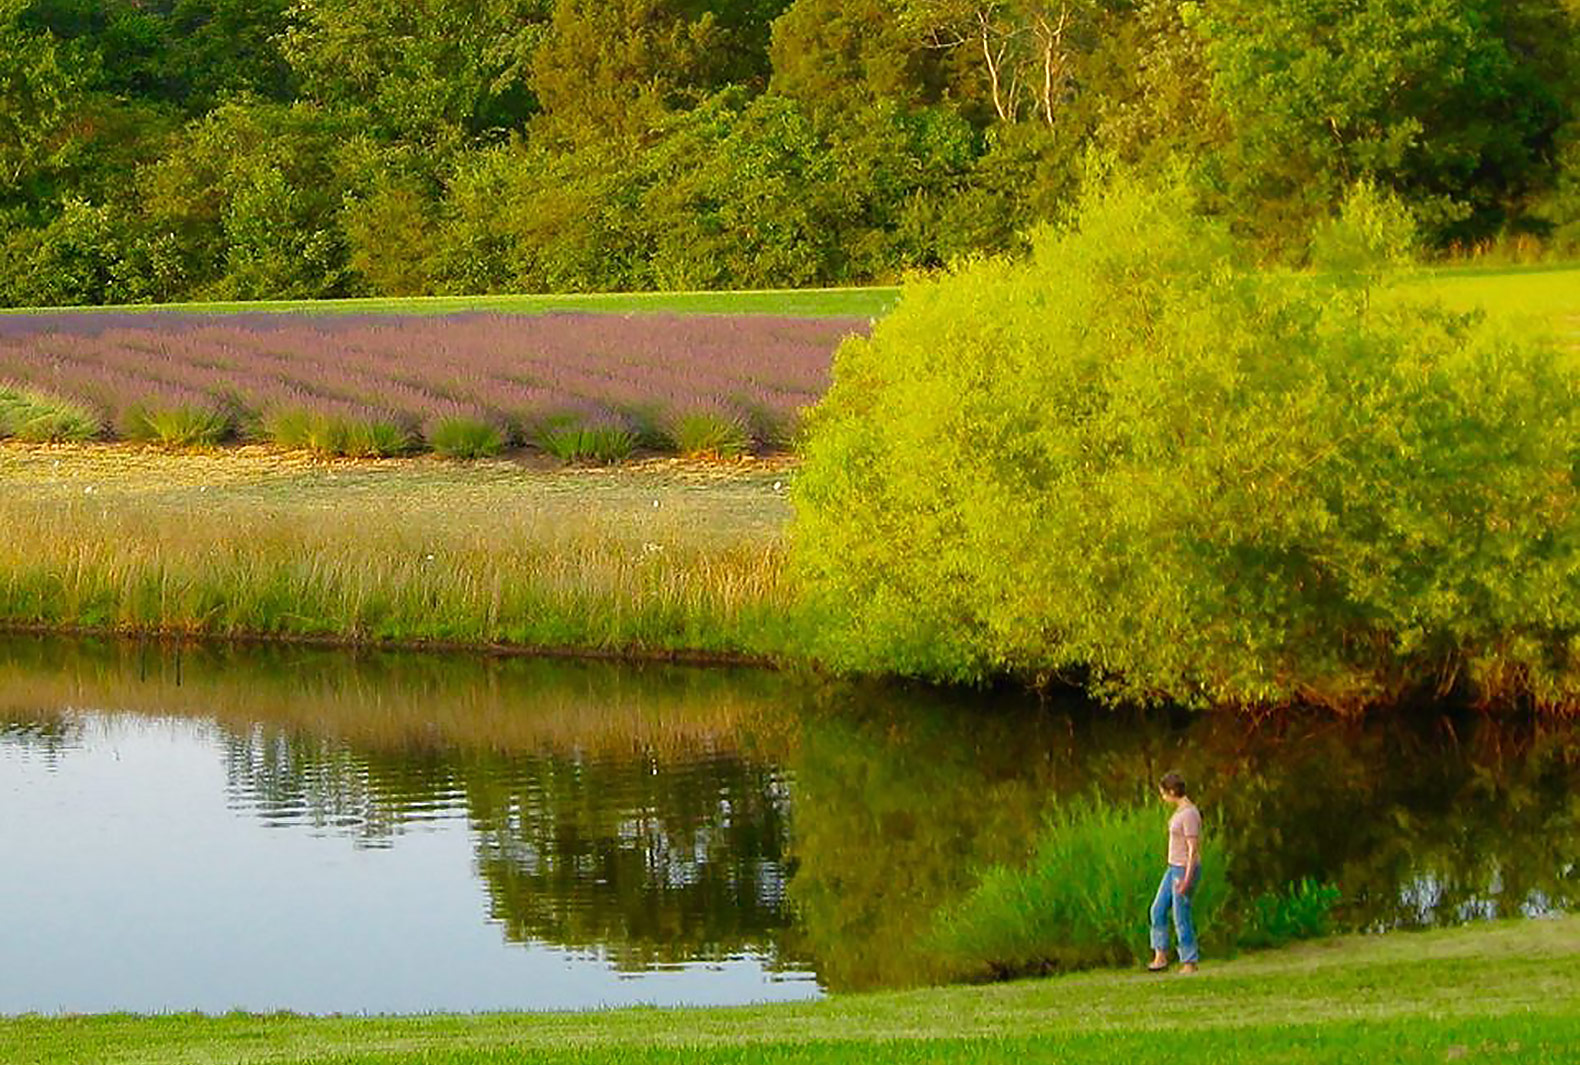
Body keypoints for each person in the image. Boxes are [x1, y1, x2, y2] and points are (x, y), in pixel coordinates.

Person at [1148, 770, 1201, 974]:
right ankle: (1160, 955)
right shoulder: (1179, 812)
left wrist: (1187, 879)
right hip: (1172, 867)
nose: (1162, 797)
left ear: (1172, 791)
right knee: (1157, 909)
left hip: (1184, 868)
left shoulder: (1189, 814)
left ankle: (1189, 961)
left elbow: (1192, 848)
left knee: (1181, 915)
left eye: (1163, 792)